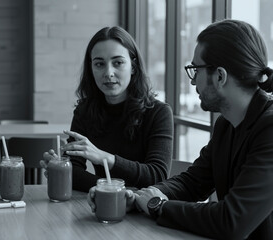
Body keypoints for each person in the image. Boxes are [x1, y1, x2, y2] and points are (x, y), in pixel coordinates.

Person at [91, 19, 273, 239]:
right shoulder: (226, 124)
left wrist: (158, 206)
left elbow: (232, 221)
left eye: (196, 70)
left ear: (220, 76)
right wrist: (138, 198)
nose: (193, 81)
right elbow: (193, 182)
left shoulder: (269, 129)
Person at [41, 26, 174, 192]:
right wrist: (61, 167)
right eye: (99, 64)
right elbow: (73, 172)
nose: (108, 72)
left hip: (145, 212)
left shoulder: (159, 112)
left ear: (133, 67)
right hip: (101, 206)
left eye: (118, 63)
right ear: (91, 68)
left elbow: (157, 176)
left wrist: (105, 158)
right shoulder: (85, 110)